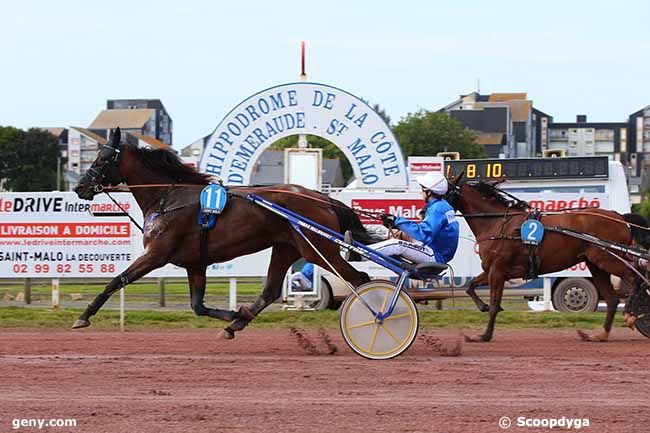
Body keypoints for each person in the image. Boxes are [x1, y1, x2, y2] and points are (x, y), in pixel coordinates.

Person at [369, 171, 460, 265]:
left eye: (422, 189)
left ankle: (360, 254)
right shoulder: (442, 205)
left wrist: (397, 221)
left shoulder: (437, 209)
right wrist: (397, 224)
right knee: (401, 234)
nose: (421, 192)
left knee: (396, 245)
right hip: (437, 250)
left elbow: (424, 234)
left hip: (436, 255)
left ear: (429, 192)